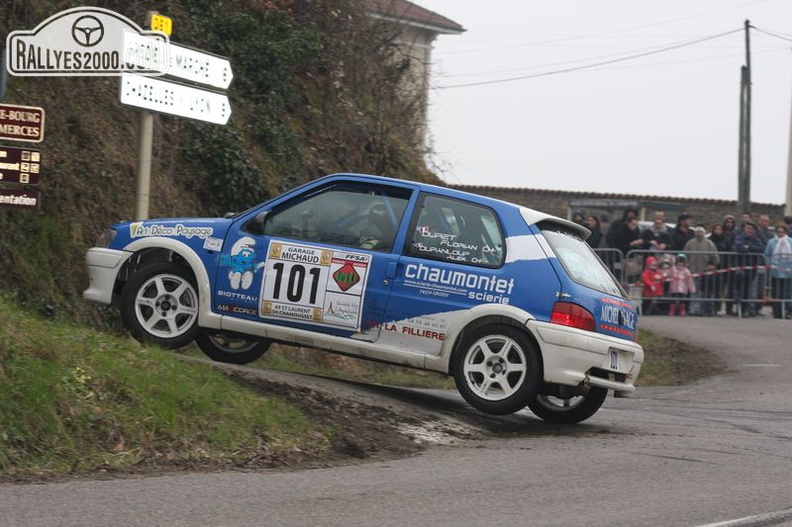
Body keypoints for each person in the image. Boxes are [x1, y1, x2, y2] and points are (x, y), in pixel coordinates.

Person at [733, 221, 766, 317]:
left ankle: (745, 309)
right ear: (744, 229)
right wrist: (747, 248)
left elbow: (761, 248)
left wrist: (749, 247)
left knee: (748, 290)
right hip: (740, 268)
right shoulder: (739, 238)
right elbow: (738, 247)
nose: (749, 230)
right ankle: (739, 309)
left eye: (751, 229)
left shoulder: (756, 239)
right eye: (748, 228)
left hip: (752, 268)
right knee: (739, 289)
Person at [684, 226, 719, 315]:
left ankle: (703, 310)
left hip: (706, 273)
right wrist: (686, 264)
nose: (699, 234)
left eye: (701, 232)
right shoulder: (690, 243)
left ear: (704, 233)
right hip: (692, 271)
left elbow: (715, 257)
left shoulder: (709, 243)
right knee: (693, 291)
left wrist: (712, 265)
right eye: (697, 232)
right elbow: (684, 255)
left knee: (704, 292)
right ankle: (693, 309)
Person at [764, 224, 792, 319]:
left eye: (782, 232)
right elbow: (767, 254)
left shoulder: (790, 242)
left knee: (787, 293)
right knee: (776, 292)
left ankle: (787, 311)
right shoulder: (772, 242)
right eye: (779, 232)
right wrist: (769, 264)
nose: (780, 234)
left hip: (788, 272)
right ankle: (777, 311)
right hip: (775, 271)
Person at [709, 222, 733, 315]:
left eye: (720, 229)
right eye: (716, 229)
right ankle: (709, 306)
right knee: (710, 288)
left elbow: (730, 252)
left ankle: (717, 307)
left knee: (720, 288)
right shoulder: (709, 240)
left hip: (723, 267)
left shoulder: (726, 240)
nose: (718, 231)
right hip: (711, 267)